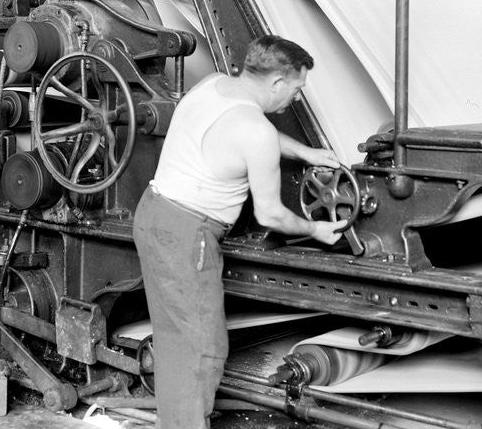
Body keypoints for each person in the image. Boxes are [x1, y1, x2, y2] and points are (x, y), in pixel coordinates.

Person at [132, 34, 349, 429]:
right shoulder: (256, 132)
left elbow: (248, 130)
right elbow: (271, 215)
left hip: (154, 213)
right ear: (278, 83)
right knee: (200, 350)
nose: (295, 98)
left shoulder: (213, 85)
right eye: (297, 88)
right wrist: (315, 229)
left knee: (175, 341)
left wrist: (306, 153)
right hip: (186, 234)